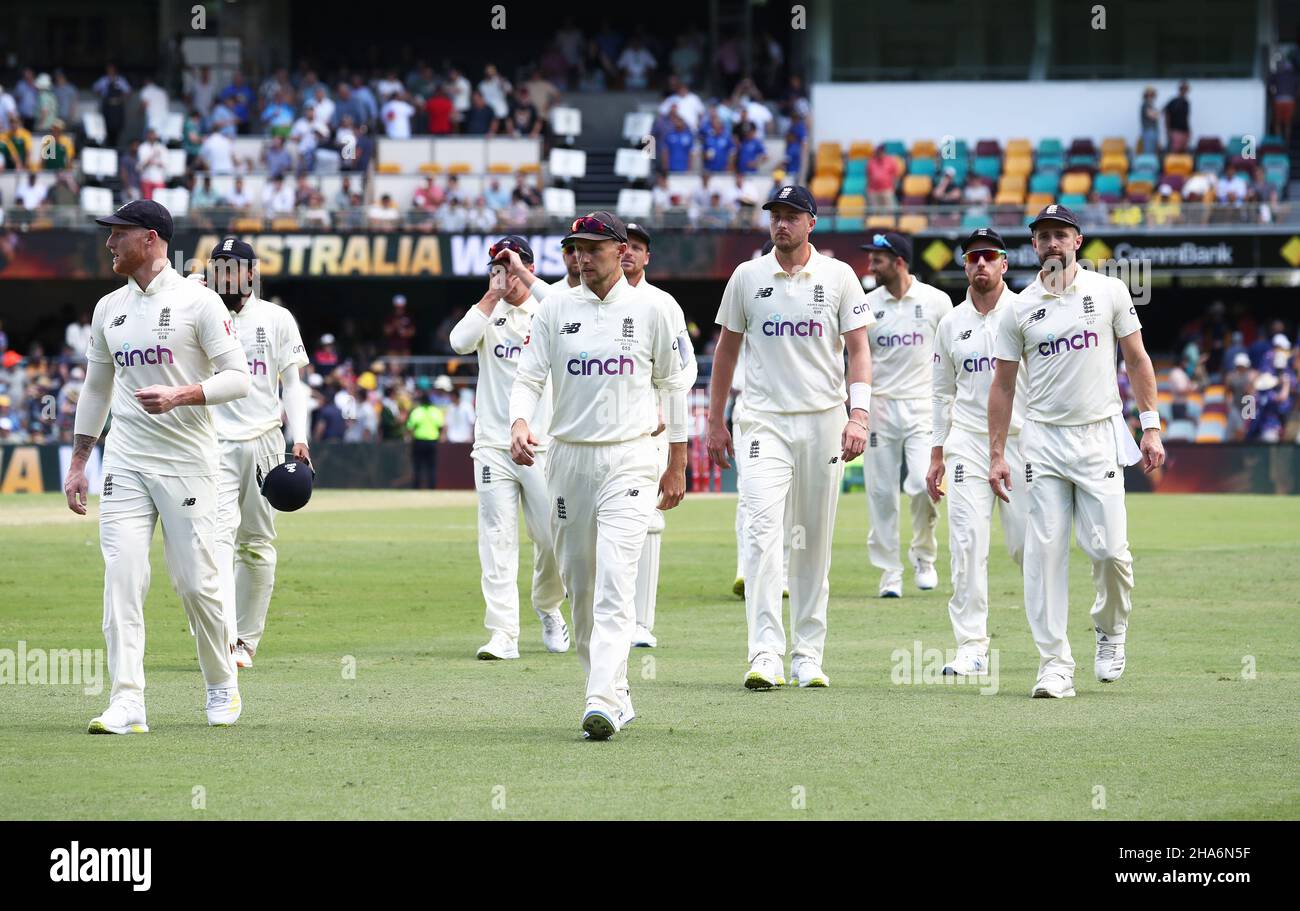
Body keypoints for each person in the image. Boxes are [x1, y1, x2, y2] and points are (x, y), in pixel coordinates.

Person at [63, 200, 251, 733]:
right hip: (124, 460)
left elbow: (239, 378)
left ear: (150, 239)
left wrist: (183, 395)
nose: (109, 244)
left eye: (117, 234)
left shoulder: (200, 301)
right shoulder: (108, 308)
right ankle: (127, 701)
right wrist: (81, 461)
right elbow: (97, 386)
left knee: (196, 584)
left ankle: (221, 681)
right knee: (122, 577)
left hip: (188, 462)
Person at [508, 211, 694, 740]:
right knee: (581, 587)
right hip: (567, 459)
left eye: (592, 248)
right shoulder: (556, 308)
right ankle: (613, 686)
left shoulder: (655, 308)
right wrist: (520, 420)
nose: (581, 258)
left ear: (620, 250)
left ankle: (600, 701)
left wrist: (677, 462)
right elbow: (528, 377)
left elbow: (674, 386)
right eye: (574, 249)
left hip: (632, 457)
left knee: (616, 579)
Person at [988, 204, 1164, 698]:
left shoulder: (1108, 291)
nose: (1051, 243)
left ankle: (1110, 629)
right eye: (1042, 236)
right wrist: (997, 454)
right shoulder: (1018, 308)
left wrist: (1150, 427)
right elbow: (1002, 388)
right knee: (1043, 553)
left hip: (1097, 435)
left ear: (1077, 241)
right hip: (1041, 440)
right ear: (1034, 246)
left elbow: (1136, 357)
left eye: (1059, 234)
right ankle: (1054, 663)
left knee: (1109, 551)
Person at [706, 185, 874, 691]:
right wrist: (716, 421)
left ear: (811, 223)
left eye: (791, 216)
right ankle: (764, 653)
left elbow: (859, 351)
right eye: (775, 216)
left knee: (812, 542)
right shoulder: (747, 277)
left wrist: (859, 415)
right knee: (762, 534)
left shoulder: (840, 277)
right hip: (763, 421)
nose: (781, 224)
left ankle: (807, 655)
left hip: (823, 420)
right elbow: (726, 353)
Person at [192, 238, 311, 671]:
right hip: (213, 440)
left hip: (265, 442)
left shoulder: (276, 318)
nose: (225, 274)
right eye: (217, 267)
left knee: (257, 546)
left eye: (233, 267)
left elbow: (293, 384)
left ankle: (245, 641)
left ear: (250, 273)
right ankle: (221, 635)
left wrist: (299, 437)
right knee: (215, 539)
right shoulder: (197, 313)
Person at [450, 236, 570, 660]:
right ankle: (503, 633)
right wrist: (490, 296)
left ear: (528, 267)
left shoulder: (551, 307)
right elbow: (459, 342)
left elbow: (564, 303)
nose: (501, 274)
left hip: (544, 445)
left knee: (553, 538)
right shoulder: (488, 312)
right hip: (494, 445)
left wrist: (523, 274)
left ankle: (549, 607)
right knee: (497, 539)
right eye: (495, 267)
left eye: (509, 266)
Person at [926, 229, 1028, 676]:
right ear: (965, 266)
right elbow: (940, 394)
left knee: (1030, 548)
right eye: (973, 258)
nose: (981, 264)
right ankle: (971, 646)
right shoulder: (950, 323)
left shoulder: (1027, 311)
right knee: (966, 544)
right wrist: (936, 454)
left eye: (990, 256)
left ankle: (1050, 643)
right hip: (966, 442)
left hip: (1024, 441)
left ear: (1004, 263)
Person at [619, 222, 699, 648]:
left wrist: (665, 401)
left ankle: (640, 624)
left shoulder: (662, 304)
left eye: (637, 248)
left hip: (650, 428)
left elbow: (686, 369)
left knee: (648, 520)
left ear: (647, 256)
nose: (629, 253)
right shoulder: (585, 300)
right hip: (597, 430)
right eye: (623, 246)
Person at [860, 231, 952, 597]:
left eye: (878, 259)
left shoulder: (936, 302)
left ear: (899, 262)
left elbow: (950, 354)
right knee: (881, 493)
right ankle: (889, 573)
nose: (871, 265)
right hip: (879, 408)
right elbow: (856, 357)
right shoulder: (866, 305)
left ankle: (924, 556)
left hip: (922, 407)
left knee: (921, 485)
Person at [407, 391, 443, 488]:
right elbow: (441, 426)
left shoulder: (417, 411)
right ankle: (432, 487)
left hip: (419, 441)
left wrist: (411, 438)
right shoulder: (436, 411)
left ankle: (416, 487)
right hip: (432, 441)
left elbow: (410, 427)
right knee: (431, 466)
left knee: (417, 465)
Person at [1163, 81, 1191, 154]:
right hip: (1175, 131)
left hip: (1184, 130)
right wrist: (1168, 130)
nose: (1185, 91)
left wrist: (1188, 130)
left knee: (1184, 152)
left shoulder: (1186, 102)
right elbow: (1166, 114)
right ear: (1180, 90)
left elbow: (1186, 118)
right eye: (1183, 89)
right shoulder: (1173, 101)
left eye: (1186, 89)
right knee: (1174, 152)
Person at [1139, 87, 1160, 154]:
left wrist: (1156, 114)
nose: (1151, 97)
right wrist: (1156, 114)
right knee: (1148, 151)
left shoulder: (1151, 105)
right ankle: (1148, 164)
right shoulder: (1145, 104)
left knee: (1153, 151)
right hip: (1148, 130)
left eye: (1152, 95)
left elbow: (1155, 115)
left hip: (1153, 130)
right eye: (1150, 95)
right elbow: (1151, 115)